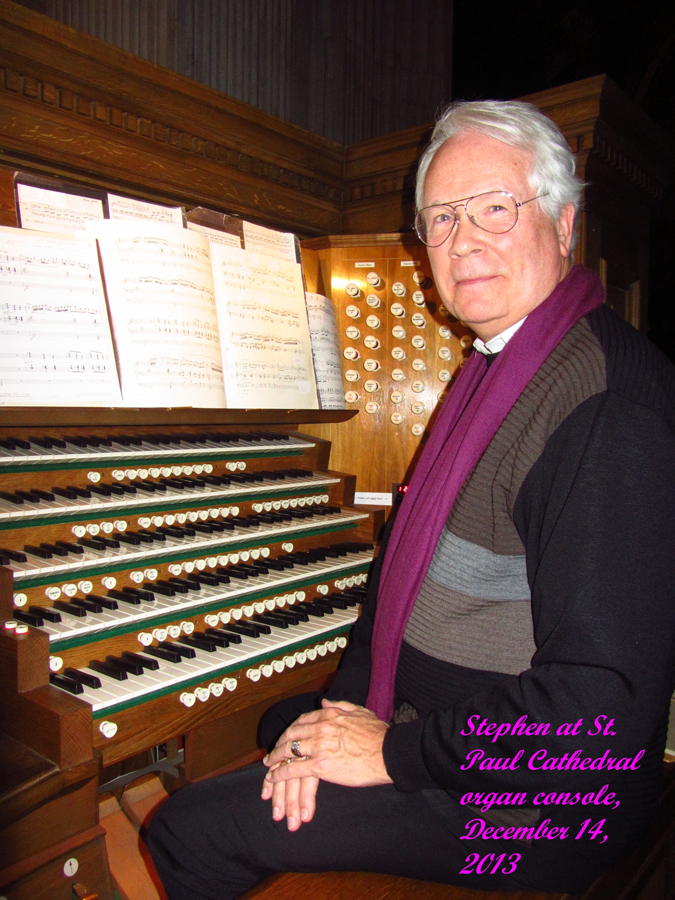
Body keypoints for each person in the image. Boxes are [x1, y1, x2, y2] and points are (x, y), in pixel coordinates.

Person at [147, 101, 675, 899]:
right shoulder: (500, 366)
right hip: (446, 733)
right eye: (440, 219)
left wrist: (386, 754)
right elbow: (395, 587)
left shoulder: (601, 410)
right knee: (279, 727)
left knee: (187, 828)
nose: (464, 241)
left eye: (496, 209)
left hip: (542, 808)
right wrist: (339, 721)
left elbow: (597, 713)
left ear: (564, 224)